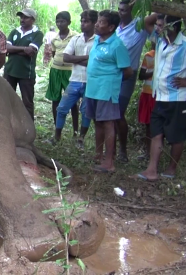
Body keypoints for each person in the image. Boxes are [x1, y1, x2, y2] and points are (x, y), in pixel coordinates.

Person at [136, 15, 186, 181]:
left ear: (173, 27)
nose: (157, 28)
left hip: (178, 98)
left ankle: (171, 169)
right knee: (156, 133)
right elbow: (145, 22)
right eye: (158, 25)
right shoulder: (161, 41)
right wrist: (163, 10)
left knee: (176, 135)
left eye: (161, 25)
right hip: (160, 97)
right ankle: (152, 170)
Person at [86, 10, 133, 174]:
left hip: (106, 90)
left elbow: (127, 71)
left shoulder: (117, 45)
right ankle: (98, 155)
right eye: (97, 21)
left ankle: (109, 161)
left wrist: (111, 81)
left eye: (101, 22)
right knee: (97, 122)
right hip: (92, 88)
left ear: (112, 27)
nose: (97, 24)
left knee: (108, 123)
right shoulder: (98, 41)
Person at [114, 0, 158, 163]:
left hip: (128, 75)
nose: (120, 12)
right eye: (119, 9)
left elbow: (159, 13)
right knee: (109, 113)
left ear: (132, 11)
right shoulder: (116, 28)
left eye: (124, 10)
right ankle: (112, 151)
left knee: (118, 112)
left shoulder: (139, 25)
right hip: (112, 75)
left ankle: (123, 152)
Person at [51, 10, 98, 147]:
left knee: (86, 111)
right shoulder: (76, 39)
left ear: (94, 23)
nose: (83, 24)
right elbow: (66, 57)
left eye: (87, 21)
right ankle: (57, 136)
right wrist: (85, 58)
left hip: (90, 81)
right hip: (75, 79)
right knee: (61, 108)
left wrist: (76, 59)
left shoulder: (98, 41)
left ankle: (81, 138)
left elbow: (95, 62)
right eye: (82, 21)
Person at [3, 8, 44, 120]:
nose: (22, 19)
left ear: (33, 19)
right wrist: (23, 49)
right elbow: (6, 48)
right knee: (6, 99)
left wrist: (14, 50)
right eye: (21, 17)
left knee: (27, 103)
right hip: (10, 71)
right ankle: (8, 123)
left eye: (26, 17)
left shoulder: (38, 34)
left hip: (26, 73)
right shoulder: (14, 32)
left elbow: (31, 51)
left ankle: (29, 128)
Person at [45, 11, 79, 133]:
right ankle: (57, 128)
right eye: (58, 21)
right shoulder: (54, 38)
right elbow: (54, 54)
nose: (60, 24)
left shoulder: (75, 36)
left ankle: (76, 130)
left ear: (69, 22)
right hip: (56, 70)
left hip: (70, 72)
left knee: (73, 101)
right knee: (56, 99)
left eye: (63, 21)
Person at [136, 23, 159, 160]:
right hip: (148, 93)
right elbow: (141, 75)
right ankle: (147, 153)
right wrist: (153, 71)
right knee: (148, 125)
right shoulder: (149, 55)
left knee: (158, 125)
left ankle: (155, 153)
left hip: (160, 94)